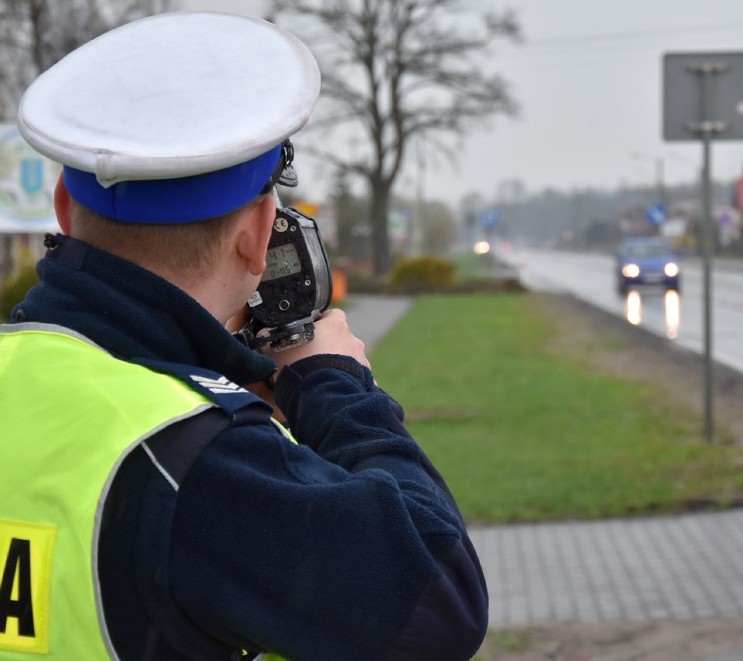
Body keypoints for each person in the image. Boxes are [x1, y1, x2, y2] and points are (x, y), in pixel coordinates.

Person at [0, 11, 487, 661]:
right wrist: (332, 384)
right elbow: (438, 600)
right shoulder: (194, 459)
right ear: (258, 233)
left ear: (63, 205)